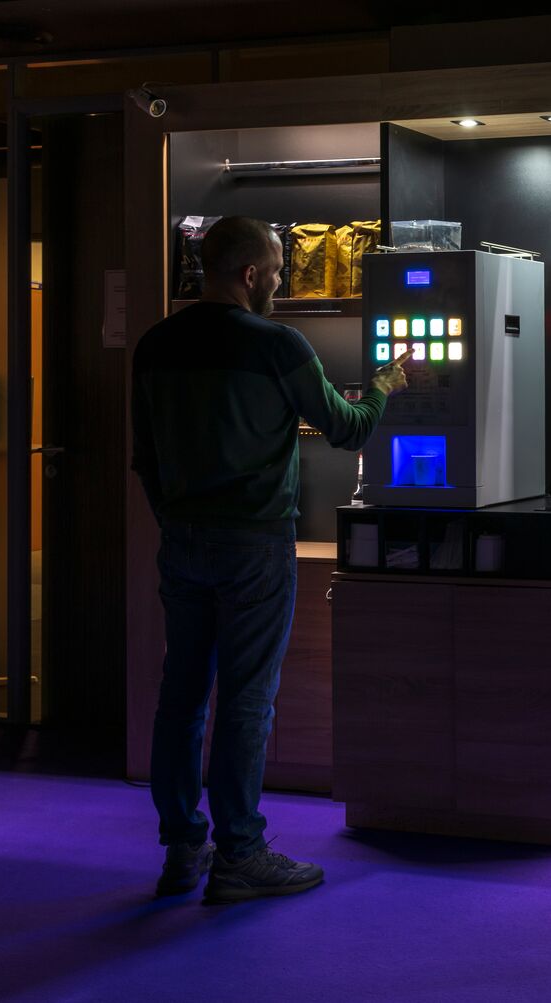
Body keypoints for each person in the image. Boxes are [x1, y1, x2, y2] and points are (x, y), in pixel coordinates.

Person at [131, 216, 408, 904]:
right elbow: (345, 430)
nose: (281, 282)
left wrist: (174, 519)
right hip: (254, 542)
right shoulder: (277, 344)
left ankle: (182, 842)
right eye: (277, 271)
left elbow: (143, 454)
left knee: (182, 695)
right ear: (250, 274)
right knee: (248, 699)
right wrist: (384, 385)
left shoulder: (156, 343)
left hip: (183, 540)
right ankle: (242, 854)